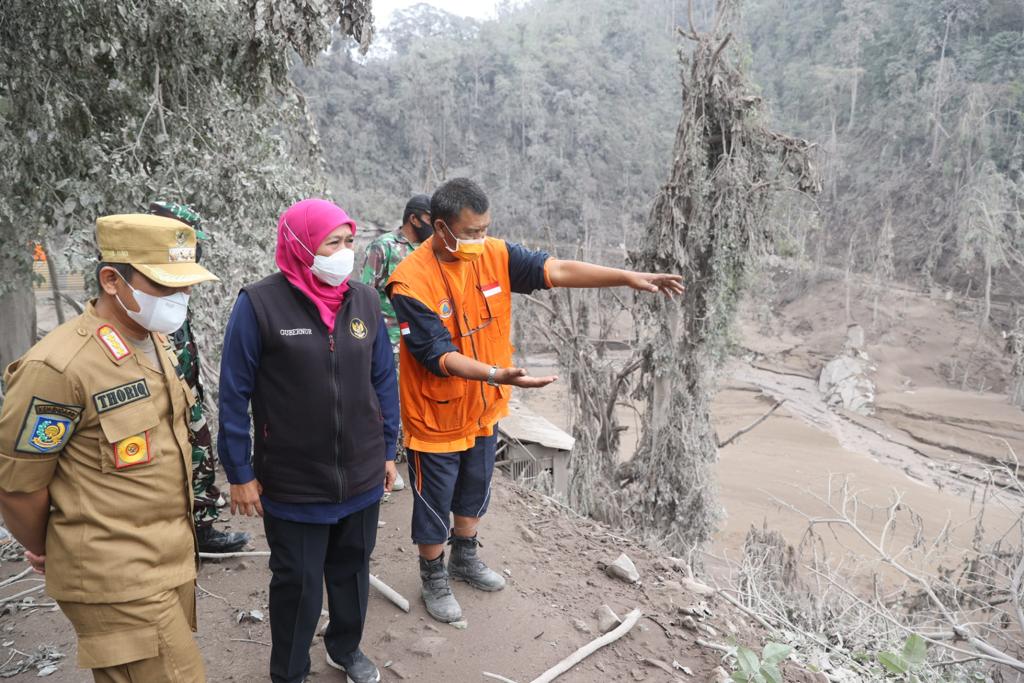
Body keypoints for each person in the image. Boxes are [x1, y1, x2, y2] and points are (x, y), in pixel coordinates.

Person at [387, 178, 684, 623]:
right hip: (437, 415)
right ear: (442, 228)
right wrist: (495, 374)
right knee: (434, 502)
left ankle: (464, 559)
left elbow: (557, 271)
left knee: (474, 491)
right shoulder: (410, 281)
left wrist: (625, 278)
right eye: (470, 232)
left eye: (485, 228)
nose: (479, 239)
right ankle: (433, 576)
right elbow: (437, 356)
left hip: (484, 409)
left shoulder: (495, 255)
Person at [0, 214, 218, 681]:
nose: (181, 299)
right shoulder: (58, 368)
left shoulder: (153, 341)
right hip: (118, 577)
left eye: (187, 287)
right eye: (165, 286)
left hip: (168, 560)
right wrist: (50, 545)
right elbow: (19, 487)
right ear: (112, 280)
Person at [217, 198, 399, 683]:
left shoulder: (362, 300)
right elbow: (233, 393)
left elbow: (383, 380)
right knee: (297, 583)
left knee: (352, 569)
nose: (343, 254)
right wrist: (240, 472)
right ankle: (290, 671)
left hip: (360, 471)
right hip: (294, 479)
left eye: (348, 242)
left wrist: (387, 449)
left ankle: (345, 648)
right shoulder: (258, 304)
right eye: (331, 243)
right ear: (299, 246)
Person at [147, 201, 250, 554]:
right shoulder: (146, 280)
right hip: (161, 395)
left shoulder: (176, 280)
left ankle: (202, 529)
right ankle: (181, 536)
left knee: (199, 450)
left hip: (186, 386)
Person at [360, 193, 433, 491]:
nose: (433, 225)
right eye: (429, 219)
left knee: (412, 400)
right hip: (387, 338)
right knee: (384, 399)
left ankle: (403, 458)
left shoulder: (430, 249)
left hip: (420, 340)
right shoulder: (384, 247)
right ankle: (381, 463)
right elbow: (365, 293)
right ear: (414, 218)